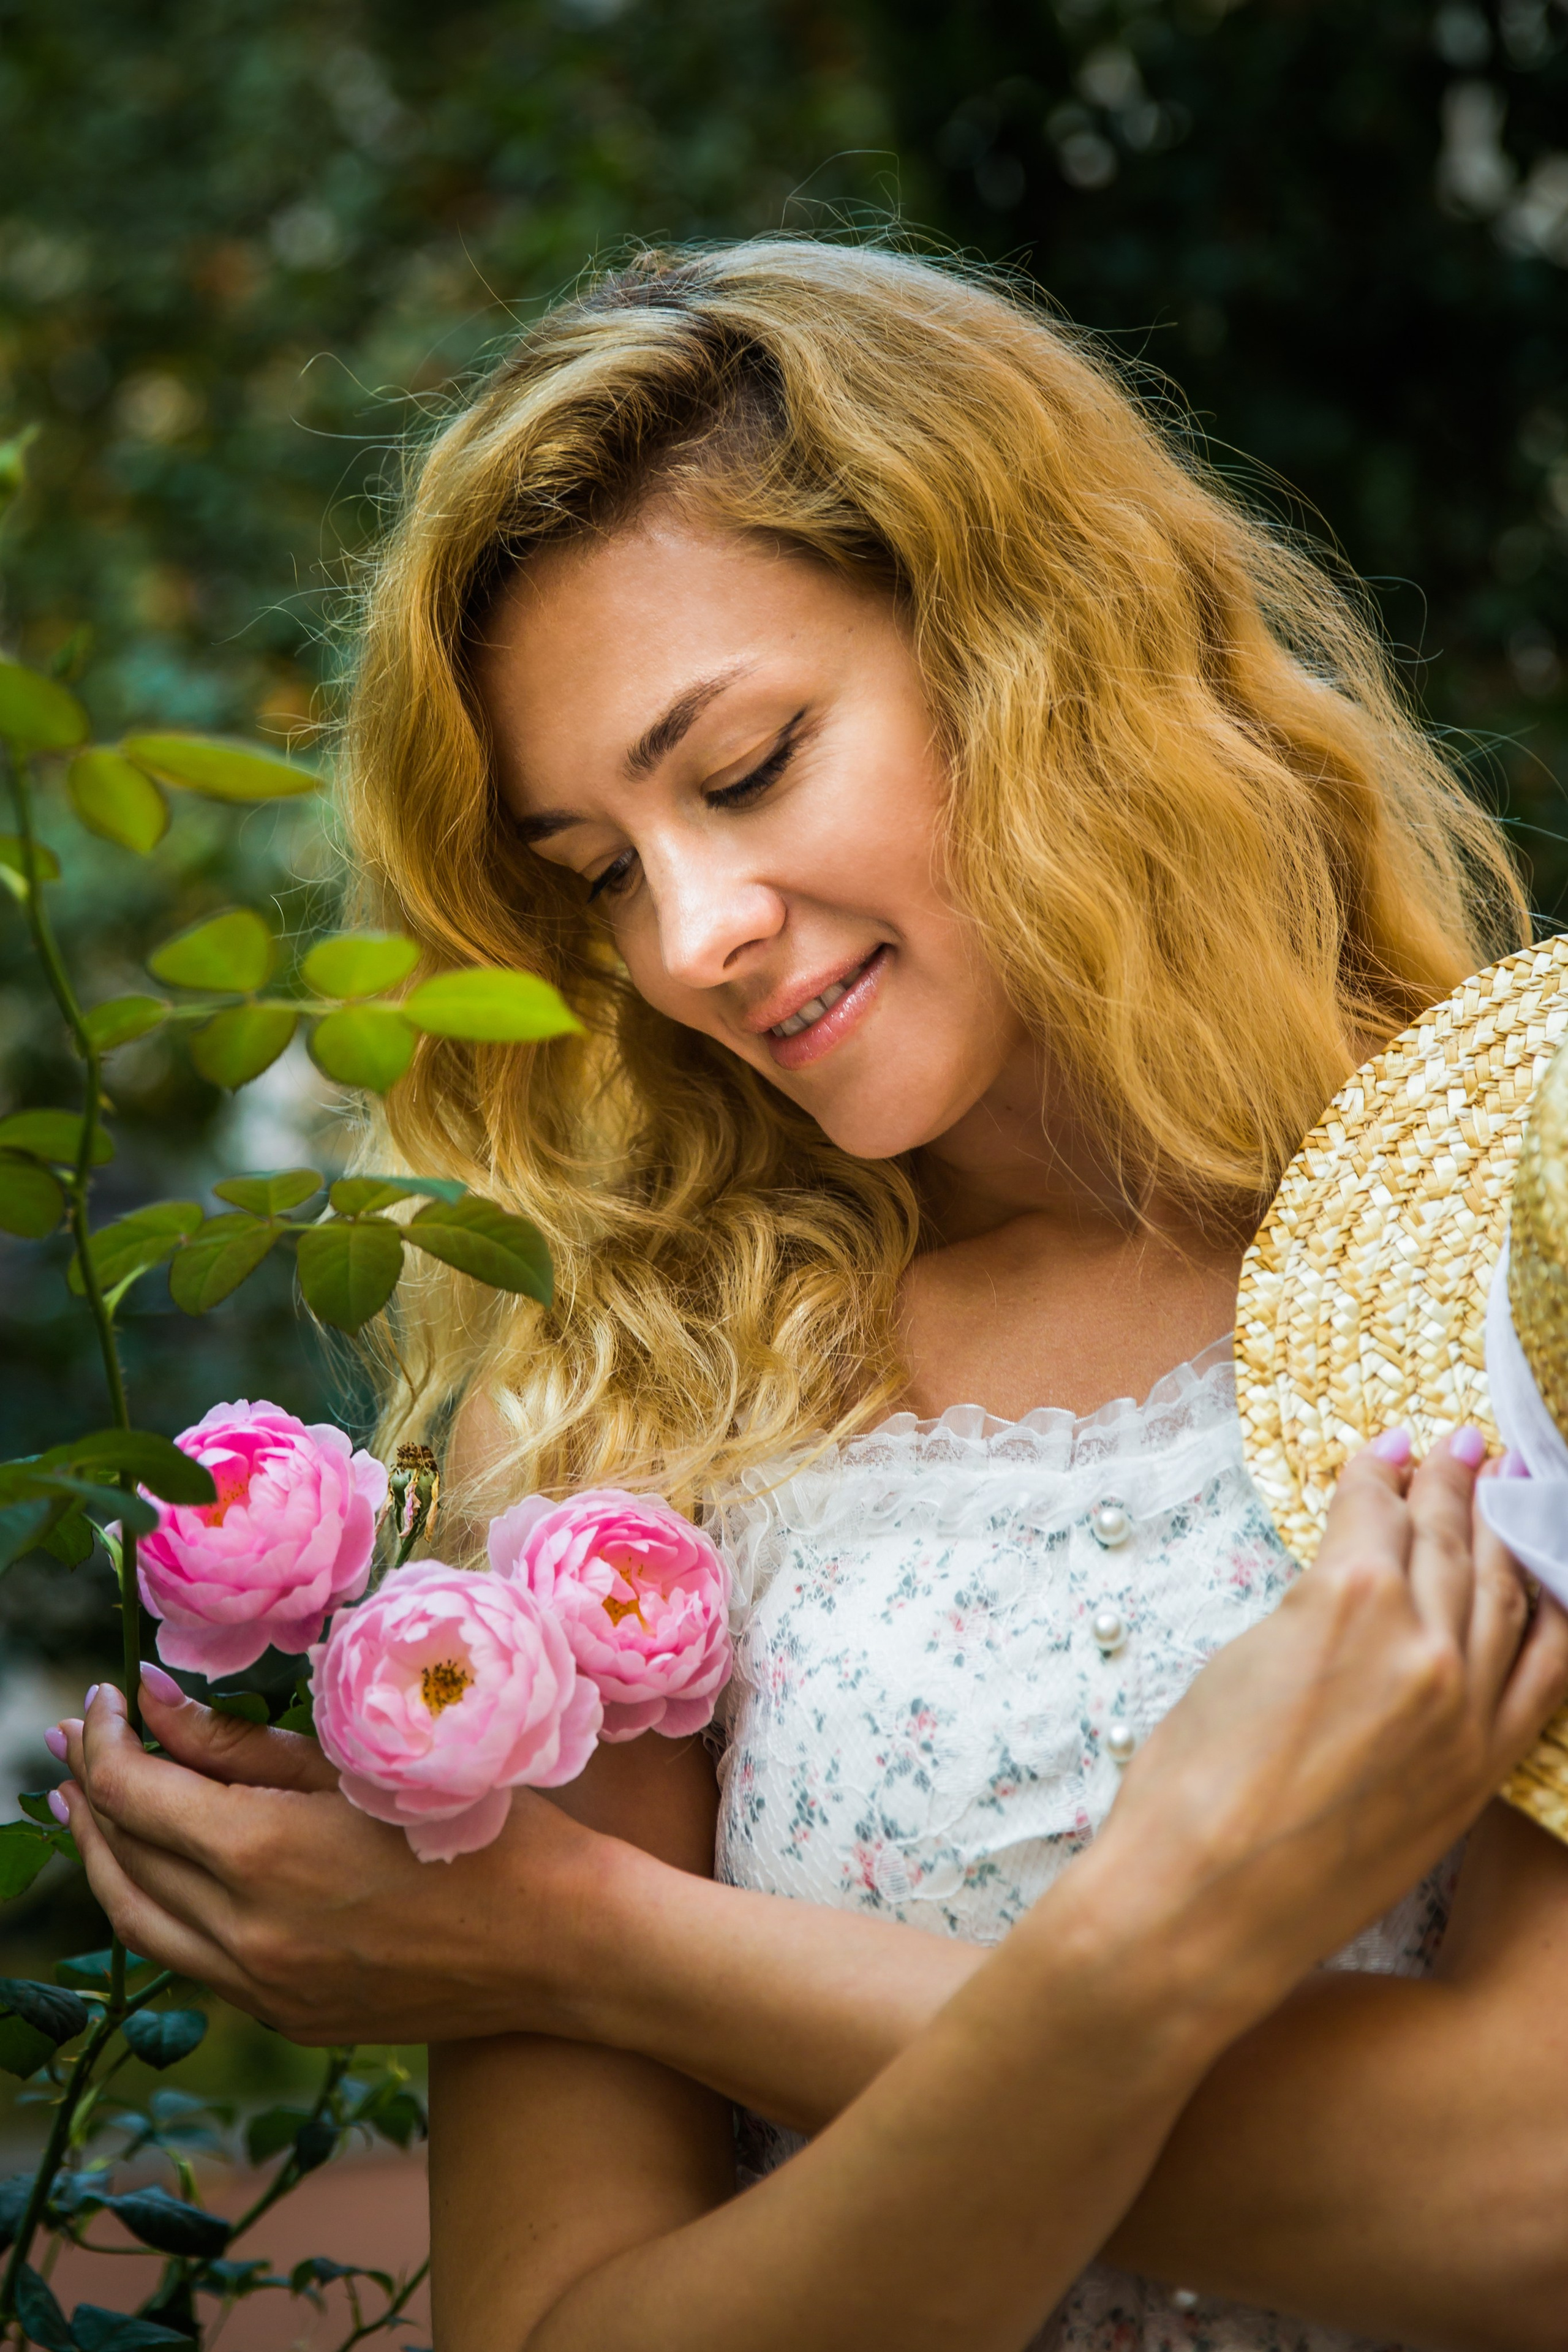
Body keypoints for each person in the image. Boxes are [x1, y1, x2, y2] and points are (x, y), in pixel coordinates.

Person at [53, 243, 1568, 2352]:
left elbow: (1533, 2188)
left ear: (1040, 640)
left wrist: (587, 1939)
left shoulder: (1515, 1215)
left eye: (747, 767)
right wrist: (1154, 1933)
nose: (687, 941)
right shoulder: (631, 1397)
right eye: (597, 867)